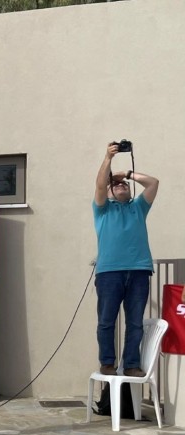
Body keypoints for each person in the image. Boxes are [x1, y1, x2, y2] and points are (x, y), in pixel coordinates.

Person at [93, 142, 159, 377]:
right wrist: (108, 158)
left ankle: (131, 364)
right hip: (109, 272)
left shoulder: (139, 207)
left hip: (139, 271)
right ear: (109, 193)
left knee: (135, 323)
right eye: (116, 184)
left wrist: (127, 174)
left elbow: (153, 183)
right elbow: (100, 184)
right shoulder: (103, 208)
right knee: (106, 321)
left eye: (124, 185)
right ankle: (107, 363)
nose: (121, 185)